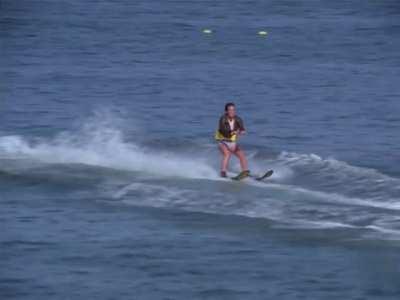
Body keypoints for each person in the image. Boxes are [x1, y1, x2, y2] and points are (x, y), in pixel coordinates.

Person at [215, 102, 250, 178]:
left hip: (232, 142)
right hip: (222, 141)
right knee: (227, 154)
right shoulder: (223, 119)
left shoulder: (238, 119)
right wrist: (235, 132)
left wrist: (241, 132)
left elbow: (243, 130)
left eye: (233, 110)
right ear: (226, 111)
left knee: (242, 155)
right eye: (230, 110)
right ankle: (223, 172)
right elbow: (224, 131)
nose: (232, 112)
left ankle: (245, 172)